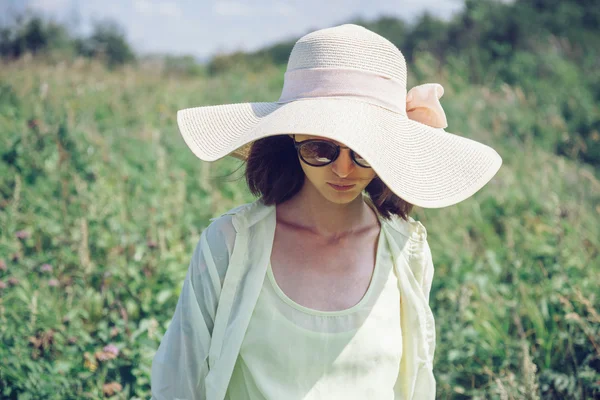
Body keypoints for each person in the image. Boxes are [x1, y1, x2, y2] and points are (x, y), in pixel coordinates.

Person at [150, 24, 502, 400]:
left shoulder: (407, 252)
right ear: (291, 138)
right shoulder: (229, 245)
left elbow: (415, 383)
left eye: (364, 152)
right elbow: (178, 383)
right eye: (321, 149)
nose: (344, 170)